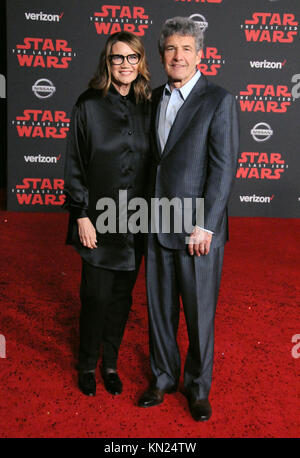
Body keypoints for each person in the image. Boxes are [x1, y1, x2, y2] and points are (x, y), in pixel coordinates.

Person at [138, 17, 239, 421]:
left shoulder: (219, 100)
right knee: (159, 310)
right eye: (170, 49)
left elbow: (223, 167)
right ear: (162, 55)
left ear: (200, 54)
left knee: (199, 313)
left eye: (186, 49)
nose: (177, 56)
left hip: (198, 229)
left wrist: (207, 225)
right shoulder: (153, 99)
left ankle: (198, 388)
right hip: (156, 221)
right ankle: (163, 378)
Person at [64, 31, 151, 397]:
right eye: (118, 58)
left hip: (137, 220)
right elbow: (75, 162)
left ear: (141, 62)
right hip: (97, 220)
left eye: (133, 57)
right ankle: (86, 364)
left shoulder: (150, 105)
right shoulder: (88, 104)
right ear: (108, 62)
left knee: (121, 298)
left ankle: (110, 365)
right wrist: (80, 214)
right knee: (95, 297)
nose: (126, 65)